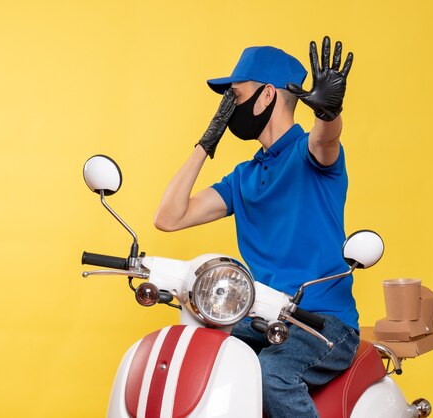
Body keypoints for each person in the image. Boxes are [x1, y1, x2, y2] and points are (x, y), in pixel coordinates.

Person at [154, 37, 357, 418]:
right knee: (196, 353)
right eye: (225, 102)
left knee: (272, 375)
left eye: (235, 96)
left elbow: (326, 139)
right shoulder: (243, 177)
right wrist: (207, 140)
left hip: (324, 322)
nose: (228, 107)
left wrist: (329, 114)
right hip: (263, 317)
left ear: (266, 97)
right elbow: (169, 218)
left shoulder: (309, 155)